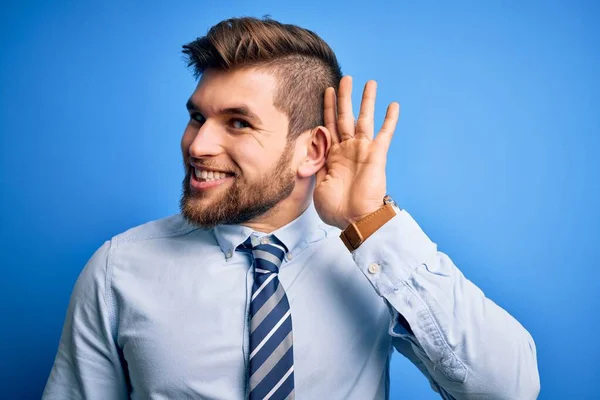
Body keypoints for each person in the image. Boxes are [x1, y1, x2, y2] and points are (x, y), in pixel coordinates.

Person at [42, 17, 540, 400]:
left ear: (312, 150)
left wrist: (372, 223)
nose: (198, 145)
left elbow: (508, 388)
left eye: (238, 123)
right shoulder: (119, 268)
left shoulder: (377, 261)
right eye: (198, 117)